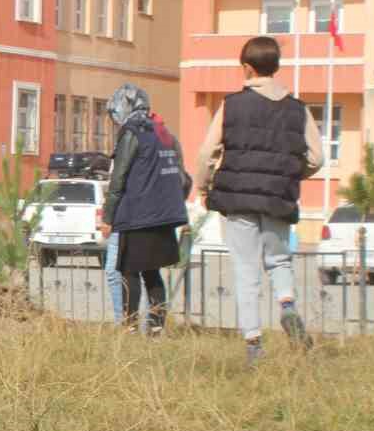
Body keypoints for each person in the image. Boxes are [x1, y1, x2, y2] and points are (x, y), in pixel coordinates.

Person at [196, 36, 324, 366]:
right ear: (276, 68)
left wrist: (204, 186)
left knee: (246, 270)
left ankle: (254, 343)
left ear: (247, 68)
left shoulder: (232, 105)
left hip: (238, 200)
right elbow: (317, 157)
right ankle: (287, 305)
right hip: (278, 198)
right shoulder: (298, 109)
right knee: (279, 261)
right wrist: (292, 174)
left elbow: (207, 152)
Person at [99, 86, 191, 336]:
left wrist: (108, 217)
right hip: (164, 216)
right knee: (153, 274)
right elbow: (184, 179)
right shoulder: (164, 133)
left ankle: (129, 328)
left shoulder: (132, 133)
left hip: (137, 215)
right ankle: (156, 330)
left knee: (128, 272)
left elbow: (119, 179)